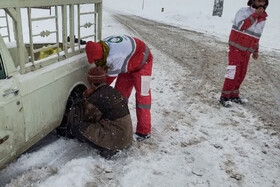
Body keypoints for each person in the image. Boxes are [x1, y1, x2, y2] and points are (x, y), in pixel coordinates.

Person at [85, 35, 153, 141]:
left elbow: (107, 82)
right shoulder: (102, 45)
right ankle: (119, 123)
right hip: (128, 63)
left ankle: (144, 131)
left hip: (144, 62)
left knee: (143, 98)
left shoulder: (114, 57)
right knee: (120, 95)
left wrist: (94, 91)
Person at [69, 66, 133, 158]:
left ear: (91, 82)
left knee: (77, 127)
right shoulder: (112, 91)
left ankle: (109, 148)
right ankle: (112, 144)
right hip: (126, 137)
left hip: (117, 140)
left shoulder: (97, 97)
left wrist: (85, 100)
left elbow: (87, 118)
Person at [219, 0, 269, 107]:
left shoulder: (263, 19)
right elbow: (242, 26)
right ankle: (224, 96)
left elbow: (256, 36)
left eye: (263, 2)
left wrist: (256, 50)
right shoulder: (243, 12)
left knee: (241, 73)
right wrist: (255, 15)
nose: (261, 4)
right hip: (235, 48)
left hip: (247, 51)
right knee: (233, 72)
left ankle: (234, 95)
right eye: (258, 1)